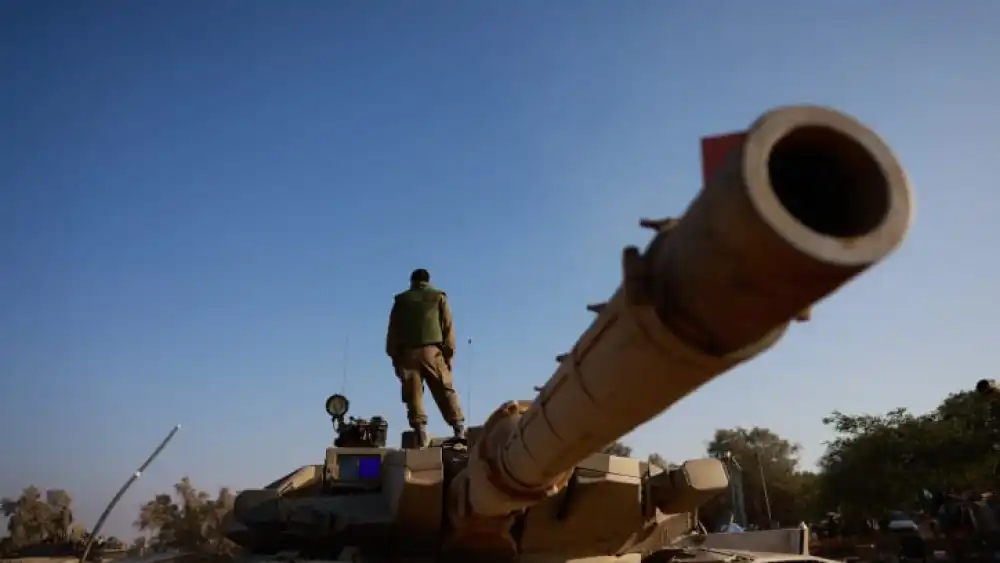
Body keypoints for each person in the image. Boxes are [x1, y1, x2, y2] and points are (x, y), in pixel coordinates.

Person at [386, 268, 466, 447]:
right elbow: (448, 327)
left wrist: (395, 357)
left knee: (413, 394)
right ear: (428, 281)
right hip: (433, 351)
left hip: (408, 353)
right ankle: (458, 428)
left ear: (412, 281)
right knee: (444, 389)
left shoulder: (401, 300)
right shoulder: (438, 297)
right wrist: (448, 355)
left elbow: (393, 332)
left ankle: (420, 431)